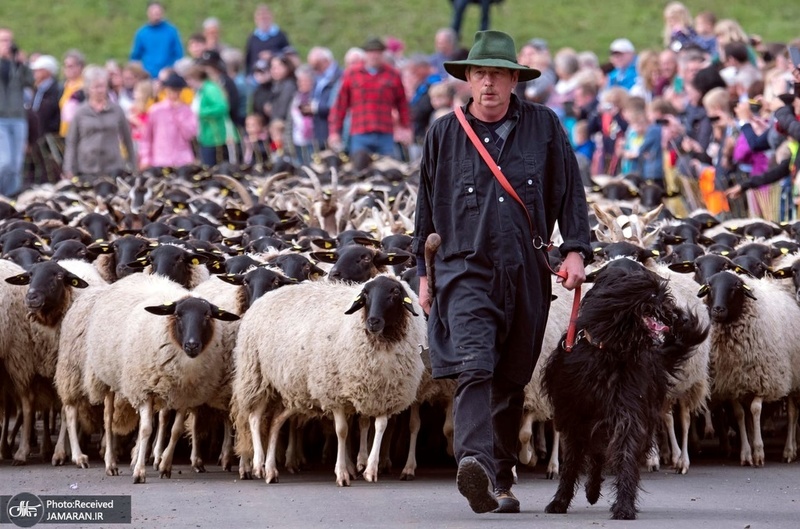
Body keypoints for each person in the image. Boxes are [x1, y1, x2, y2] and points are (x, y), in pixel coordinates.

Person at [413, 30, 590, 515]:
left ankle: (501, 476)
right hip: (463, 269)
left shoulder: (545, 126)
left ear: (514, 78)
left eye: (497, 73)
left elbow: (569, 191)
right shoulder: (444, 133)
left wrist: (575, 249)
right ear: (468, 78)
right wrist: (422, 274)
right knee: (475, 363)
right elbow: (425, 208)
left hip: (526, 269)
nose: (487, 82)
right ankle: (473, 461)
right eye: (479, 73)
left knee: (511, 377)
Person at [328, 36, 411, 159]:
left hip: (385, 132)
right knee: (360, 169)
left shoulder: (393, 75)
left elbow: (402, 104)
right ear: (365, 54)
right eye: (371, 52)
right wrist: (334, 132)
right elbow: (340, 105)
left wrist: (406, 127)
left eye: (378, 52)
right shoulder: (352, 73)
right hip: (360, 132)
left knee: (387, 169)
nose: (374, 56)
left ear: (383, 54)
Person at [62, 65, 135, 181]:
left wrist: (133, 165)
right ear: (88, 88)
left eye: (102, 86)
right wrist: (69, 168)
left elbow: (127, 139)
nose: (100, 90)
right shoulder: (80, 112)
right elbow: (71, 142)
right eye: (96, 87)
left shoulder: (117, 110)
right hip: (86, 168)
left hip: (113, 167)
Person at [0, 27, 34, 198]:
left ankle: (12, 198)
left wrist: (22, 63)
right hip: (1, 119)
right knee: (4, 162)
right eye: (3, 40)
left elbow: (30, 81)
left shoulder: (17, 64)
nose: (7, 44)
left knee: (16, 164)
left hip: (18, 118)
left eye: (9, 40)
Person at [138, 72, 197, 170]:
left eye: (177, 91)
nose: (174, 94)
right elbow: (147, 137)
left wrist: (179, 114)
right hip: (161, 160)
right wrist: (145, 158)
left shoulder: (187, 110)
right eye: (171, 91)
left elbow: (190, 134)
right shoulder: (156, 110)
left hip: (183, 160)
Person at [184, 64, 230, 167]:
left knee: (213, 167)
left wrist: (201, 112)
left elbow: (221, 107)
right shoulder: (201, 90)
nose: (188, 83)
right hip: (205, 135)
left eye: (189, 80)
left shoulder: (210, 89)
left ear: (195, 78)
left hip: (214, 136)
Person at [129, 1, 184, 79]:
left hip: (167, 75)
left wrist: (170, 70)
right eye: (153, 12)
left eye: (158, 12)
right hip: (147, 76)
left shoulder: (171, 31)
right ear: (148, 13)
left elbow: (178, 54)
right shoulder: (142, 33)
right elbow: (135, 57)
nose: (155, 15)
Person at [307, 46, 343, 150]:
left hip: (334, 130)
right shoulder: (318, 77)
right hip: (319, 129)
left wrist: (317, 107)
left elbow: (337, 104)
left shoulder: (339, 77)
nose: (315, 69)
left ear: (325, 61)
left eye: (316, 65)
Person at [244, 4, 292, 75]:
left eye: (265, 17)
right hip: (256, 75)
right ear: (256, 20)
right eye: (260, 18)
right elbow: (248, 58)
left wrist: (272, 55)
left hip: (275, 74)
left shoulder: (280, 35)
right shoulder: (252, 37)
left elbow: (288, 54)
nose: (263, 20)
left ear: (271, 17)